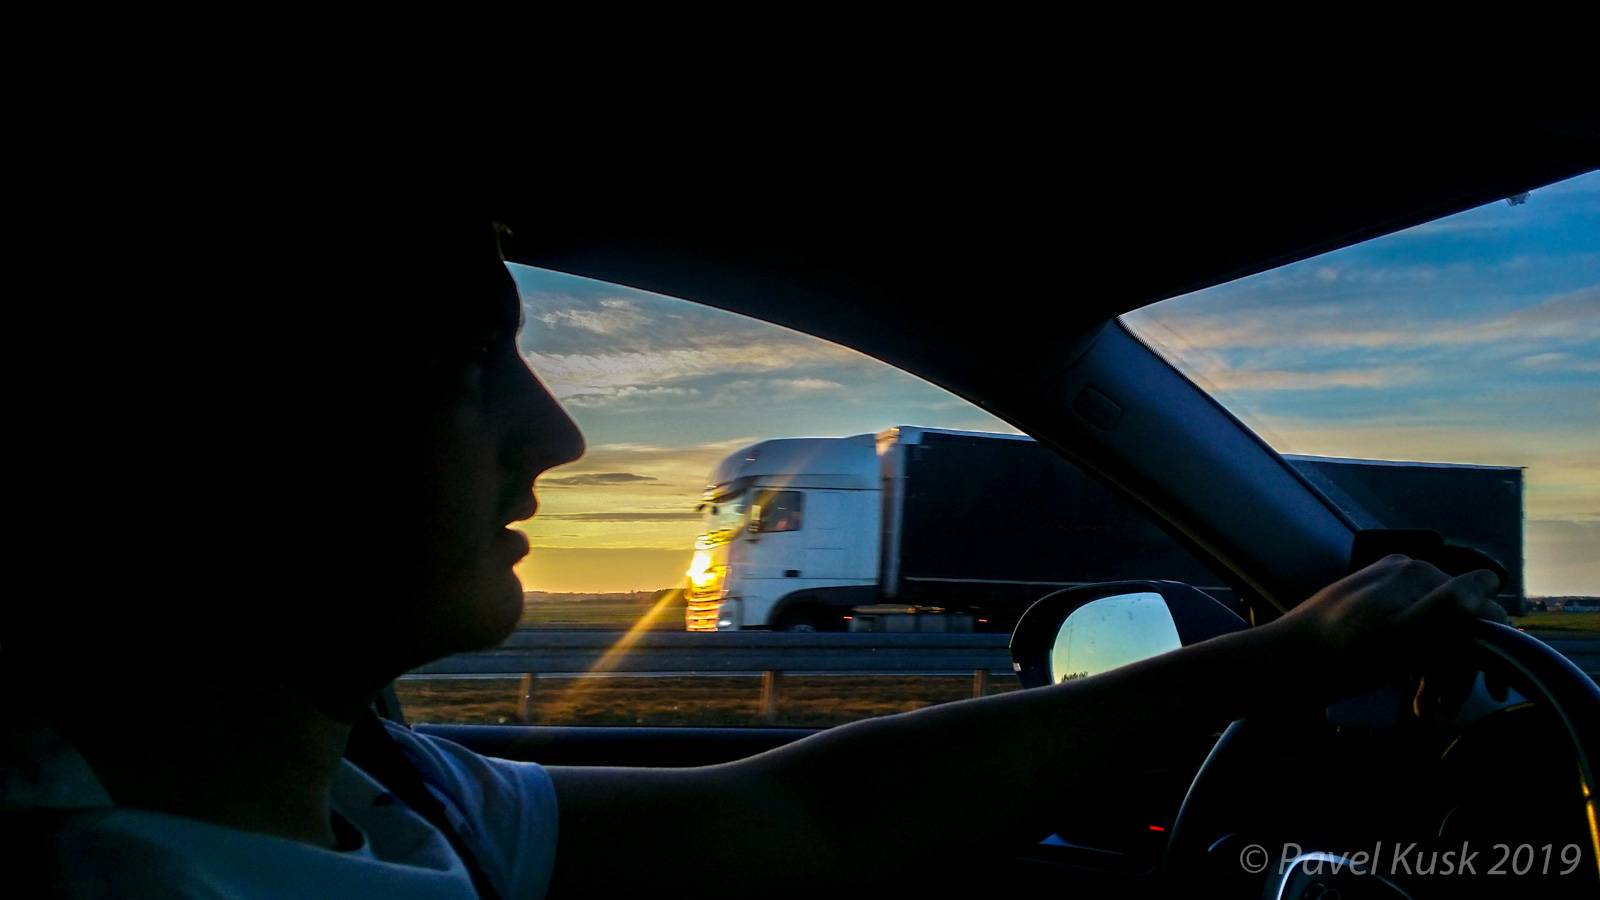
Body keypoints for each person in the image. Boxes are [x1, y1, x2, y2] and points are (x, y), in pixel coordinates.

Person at [1, 219, 1510, 898]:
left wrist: (1276, 658)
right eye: (471, 362)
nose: (554, 437)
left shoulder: (375, 791)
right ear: (204, 417)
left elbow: (799, 820)